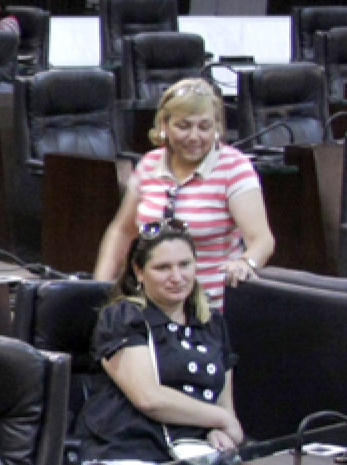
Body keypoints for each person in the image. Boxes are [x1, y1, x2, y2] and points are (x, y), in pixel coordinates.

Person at [76, 222, 243, 465]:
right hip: (126, 452)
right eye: (163, 267)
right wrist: (218, 419)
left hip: (190, 452)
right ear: (139, 272)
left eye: (185, 265)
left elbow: (227, 410)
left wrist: (223, 433)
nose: (177, 277)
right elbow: (149, 398)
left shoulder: (212, 323)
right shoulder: (123, 318)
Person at [93, 77, 273, 306]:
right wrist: (100, 288)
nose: (194, 137)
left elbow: (262, 240)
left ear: (217, 127)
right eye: (184, 126)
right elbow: (122, 231)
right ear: (164, 126)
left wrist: (247, 263)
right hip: (150, 304)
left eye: (205, 127)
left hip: (211, 307)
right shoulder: (149, 164)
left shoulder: (234, 168)